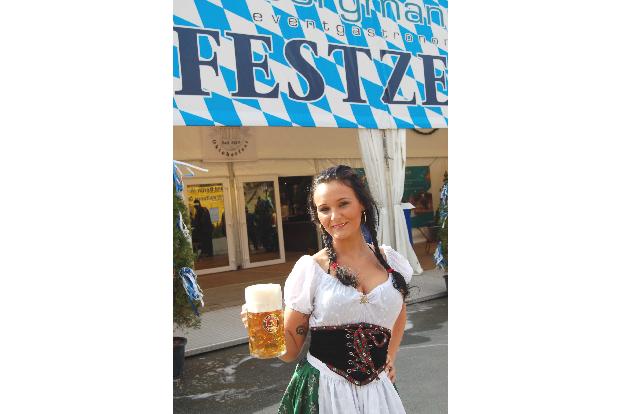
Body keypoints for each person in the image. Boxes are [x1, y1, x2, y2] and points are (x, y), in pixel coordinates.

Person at [242, 165, 413, 413]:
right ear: (317, 216)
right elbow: (290, 351)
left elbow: (398, 310)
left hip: (377, 393)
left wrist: (390, 355)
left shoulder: (391, 263)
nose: (334, 216)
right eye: (324, 209)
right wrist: (265, 329)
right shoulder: (312, 270)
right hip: (324, 391)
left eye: (343, 204)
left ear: (362, 204)